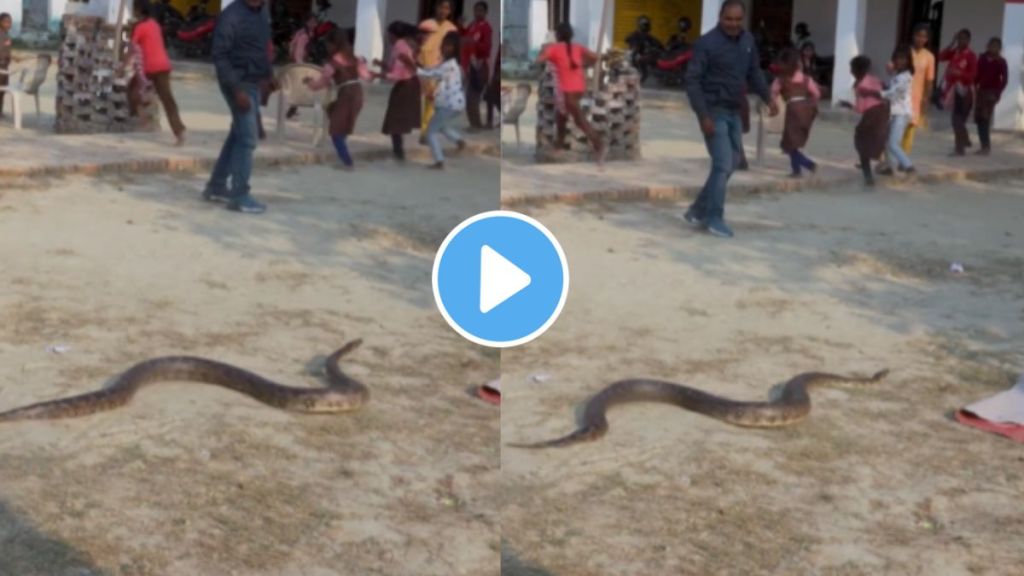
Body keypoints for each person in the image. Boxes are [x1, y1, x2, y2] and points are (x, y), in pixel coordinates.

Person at [683, 0, 777, 238]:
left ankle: (697, 209)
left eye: (738, 19)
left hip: (735, 109)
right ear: (720, 17)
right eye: (729, 19)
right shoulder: (706, 44)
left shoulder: (748, 41)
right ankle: (715, 217)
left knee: (732, 162)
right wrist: (703, 115)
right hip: (713, 111)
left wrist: (768, 97)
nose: (733, 24)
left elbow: (754, 71)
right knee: (723, 163)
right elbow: (692, 81)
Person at [202, 0, 273, 214]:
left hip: (253, 82)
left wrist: (269, 75)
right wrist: (236, 90)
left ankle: (216, 186)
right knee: (248, 138)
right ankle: (240, 195)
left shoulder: (262, 13)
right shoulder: (231, 16)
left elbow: (262, 47)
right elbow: (220, 56)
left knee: (238, 135)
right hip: (237, 83)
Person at [536, 23, 606, 164]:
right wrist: (583, 64)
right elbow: (596, 57)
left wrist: (543, 50)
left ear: (557, 35)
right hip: (579, 87)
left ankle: (599, 145)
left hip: (566, 90)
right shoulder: (578, 48)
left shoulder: (554, 49)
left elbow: (539, 60)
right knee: (560, 116)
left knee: (579, 120)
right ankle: (559, 145)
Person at [303, 29, 372, 170]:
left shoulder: (332, 62)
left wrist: (308, 81)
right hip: (357, 92)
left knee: (335, 131)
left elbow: (319, 85)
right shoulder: (355, 58)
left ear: (334, 44)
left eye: (328, 44)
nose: (327, 47)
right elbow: (367, 77)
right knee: (339, 120)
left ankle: (347, 163)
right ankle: (344, 153)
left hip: (346, 94)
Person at [129, 0, 186, 146]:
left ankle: (135, 116)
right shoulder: (155, 25)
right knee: (168, 100)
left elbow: (132, 50)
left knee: (132, 89)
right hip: (163, 67)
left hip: (150, 68)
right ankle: (179, 132)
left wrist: (122, 66)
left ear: (139, 12)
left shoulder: (139, 27)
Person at [839, 56, 890, 187]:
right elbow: (885, 94)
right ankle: (884, 163)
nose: (850, 72)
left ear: (857, 70)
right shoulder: (876, 80)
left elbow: (860, 109)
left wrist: (848, 105)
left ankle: (868, 177)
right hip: (883, 113)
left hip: (871, 115)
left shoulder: (859, 85)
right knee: (878, 139)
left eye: (852, 69)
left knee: (861, 142)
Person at [418, 32, 467, 169]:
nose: (445, 48)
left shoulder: (449, 65)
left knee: (430, 132)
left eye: (449, 45)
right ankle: (459, 141)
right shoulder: (449, 64)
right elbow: (434, 73)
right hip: (450, 104)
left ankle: (439, 161)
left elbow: (430, 74)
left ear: (455, 48)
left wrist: (412, 67)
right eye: (444, 44)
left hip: (449, 104)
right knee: (442, 126)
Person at [375, 21, 422, 162]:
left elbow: (397, 74)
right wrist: (381, 65)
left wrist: (378, 75)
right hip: (411, 84)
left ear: (394, 34)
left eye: (389, 34)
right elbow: (395, 67)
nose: (387, 37)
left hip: (405, 85)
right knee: (398, 121)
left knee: (395, 121)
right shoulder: (403, 45)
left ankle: (399, 153)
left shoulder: (399, 47)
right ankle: (398, 151)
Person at [772, 47, 820, 178]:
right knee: (794, 142)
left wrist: (772, 105)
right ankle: (796, 170)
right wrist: (811, 106)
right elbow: (816, 94)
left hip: (793, 110)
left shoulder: (781, 79)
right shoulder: (806, 78)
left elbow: (773, 92)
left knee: (789, 142)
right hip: (807, 110)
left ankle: (808, 164)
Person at [418, 0, 459, 142]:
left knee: (437, 103)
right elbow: (419, 45)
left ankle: (428, 133)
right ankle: (426, 132)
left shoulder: (452, 29)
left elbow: (455, 50)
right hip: (426, 67)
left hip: (442, 69)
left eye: (446, 8)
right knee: (428, 101)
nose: (443, 11)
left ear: (450, 11)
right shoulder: (425, 25)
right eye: (441, 7)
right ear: (435, 7)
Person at [878, 46, 916, 176]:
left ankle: (909, 166)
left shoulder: (905, 77)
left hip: (901, 114)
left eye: (903, 58)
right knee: (887, 141)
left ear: (908, 60)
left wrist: (878, 93)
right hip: (894, 113)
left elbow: (893, 93)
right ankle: (890, 167)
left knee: (893, 143)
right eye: (897, 58)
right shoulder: (897, 75)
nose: (900, 61)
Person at [939, 28, 977, 156]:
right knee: (957, 119)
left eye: (964, 38)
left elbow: (972, 75)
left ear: (969, 40)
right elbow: (941, 56)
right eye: (959, 38)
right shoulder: (955, 52)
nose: (961, 41)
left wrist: (959, 73)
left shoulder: (971, 55)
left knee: (958, 120)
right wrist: (951, 42)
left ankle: (961, 146)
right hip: (954, 90)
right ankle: (961, 144)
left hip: (965, 91)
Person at [901, 23, 936, 154]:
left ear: (927, 39)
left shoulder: (929, 57)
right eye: (918, 35)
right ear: (913, 35)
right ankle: (888, 159)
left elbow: (929, 80)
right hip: (901, 95)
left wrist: (926, 99)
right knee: (897, 128)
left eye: (924, 37)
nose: (920, 39)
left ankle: (903, 159)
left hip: (916, 97)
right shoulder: (904, 51)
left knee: (910, 129)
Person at [974, 37, 1008, 156]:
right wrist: (974, 86)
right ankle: (983, 144)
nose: (993, 48)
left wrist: (998, 93)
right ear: (987, 46)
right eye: (991, 45)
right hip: (981, 91)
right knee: (978, 118)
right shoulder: (982, 58)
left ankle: (986, 146)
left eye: (996, 46)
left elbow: (1004, 80)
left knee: (985, 118)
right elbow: (977, 74)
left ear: (999, 48)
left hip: (991, 93)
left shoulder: (1001, 61)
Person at [461, 1, 493, 129]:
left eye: (480, 10)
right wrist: (461, 26)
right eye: (476, 10)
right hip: (470, 65)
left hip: (480, 65)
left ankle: (476, 125)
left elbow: (487, 47)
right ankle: (474, 124)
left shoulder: (486, 27)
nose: (477, 13)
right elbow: (465, 37)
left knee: (472, 96)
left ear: (485, 12)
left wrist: (473, 42)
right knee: (469, 96)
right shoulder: (472, 25)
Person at [285, 15, 318, 119]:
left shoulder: (307, 33)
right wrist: (300, 64)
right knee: (300, 87)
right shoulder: (304, 34)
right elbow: (298, 50)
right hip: (299, 63)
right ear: (306, 22)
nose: (313, 24)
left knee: (300, 87)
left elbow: (292, 44)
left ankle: (292, 111)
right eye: (311, 22)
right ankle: (291, 111)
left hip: (299, 62)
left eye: (315, 22)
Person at [626, 15, 663, 83]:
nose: (649, 26)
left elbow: (658, 44)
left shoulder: (643, 35)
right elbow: (633, 46)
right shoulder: (637, 35)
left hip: (639, 57)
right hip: (638, 58)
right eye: (647, 24)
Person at [0, 12, 15, 119]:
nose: (8, 24)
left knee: (2, 91)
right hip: (1, 66)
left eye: (10, 22)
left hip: (5, 66)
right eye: (6, 22)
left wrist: (12, 57)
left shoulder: (6, 35)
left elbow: (6, 51)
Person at [484, 52, 500, 129]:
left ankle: (489, 122)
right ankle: (490, 122)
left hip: (496, 77)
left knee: (491, 98)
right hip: (494, 75)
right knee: (494, 99)